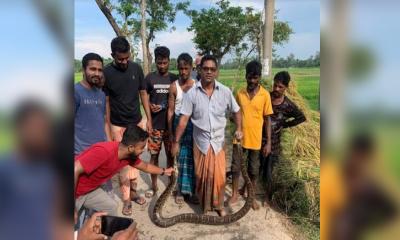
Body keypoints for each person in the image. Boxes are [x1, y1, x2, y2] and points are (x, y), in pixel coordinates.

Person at [171, 55, 243, 216]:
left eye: (212, 69)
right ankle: (205, 207)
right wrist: (176, 141)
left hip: (218, 142)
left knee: (218, 177)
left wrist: (239, 128)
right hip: (201, 142)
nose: (209, 72)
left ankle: (219, 206)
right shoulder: (191, 94)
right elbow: (183, 120)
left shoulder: (225, 91)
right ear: (200, 70)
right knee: (202, 176)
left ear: (217, 72)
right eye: (205, 69)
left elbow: (237, 111)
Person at [74, 125, 174, 218]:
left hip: (89, 190)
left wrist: (164, 171)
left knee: (111, 207)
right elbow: (75, 168)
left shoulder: (129, 156)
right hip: (74, 191)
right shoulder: (104, 151)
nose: (143, 150)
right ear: (131, 148)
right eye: (142, 147)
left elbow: (145, 166)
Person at [103, 36, 152, 215]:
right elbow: (106, 103)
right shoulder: (106, 74)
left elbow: (143, 94)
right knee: (123, 164)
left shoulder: (136, 68)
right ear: (112, 55)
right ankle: (126, 200)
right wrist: (108, 128)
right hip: (118, 126)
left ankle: (134, 193)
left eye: (127, 57)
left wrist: (149, 119)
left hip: (137, 122)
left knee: (136, 161)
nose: (124, 62)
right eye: (120, 58)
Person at [229, 60, 273, 210]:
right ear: (246, 76)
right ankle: (234, 193)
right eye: (250, 77)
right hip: (239, 139)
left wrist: (268, 143)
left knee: (253, 170)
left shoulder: (265, 95)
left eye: (255, 78)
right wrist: (234, 121)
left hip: (256, 139)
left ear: (259, 77)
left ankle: (250, 196)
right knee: (235, 167)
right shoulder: (240, 93)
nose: (252, 81)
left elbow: (267, 119)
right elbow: (234, 113)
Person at [260, 71, 306, 206]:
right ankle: (250, 191)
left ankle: (267, 197)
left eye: (280, 87)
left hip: (274, 144)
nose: (276, 89)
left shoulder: (288, 105)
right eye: (275, 85)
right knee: (256, 168)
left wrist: (284, 124)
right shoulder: (265, 97)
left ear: (286, 87)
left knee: (269, 171)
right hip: (258, 139)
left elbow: (301, 118)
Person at [144, 46, 178, 198]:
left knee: (171, 156)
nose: (162, 66)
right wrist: (150, 108)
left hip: (171, 127)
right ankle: (154, 186)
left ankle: (171, 185)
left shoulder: (174, 79)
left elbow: (179, 100)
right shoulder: (149, 78)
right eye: (159, 63)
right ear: (155, 61)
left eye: (165, 63)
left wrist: (164, 105)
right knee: (154, 156)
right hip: (156, 126)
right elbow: (145, 98)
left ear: (169, 61)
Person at [167, 53, 197, 204]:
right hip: (178, 125)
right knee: (179, 157)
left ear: (192, 68)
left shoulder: (197, 85)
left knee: (192, 158)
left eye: (186, 68)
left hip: (193, 125)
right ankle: (179, 190)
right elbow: (171, 111)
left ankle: (191, 191)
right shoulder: (174, 86)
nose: (183, 72)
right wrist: (172, 133)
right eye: (181, 68)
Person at [75, 52, 111, 155]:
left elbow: (104, 122)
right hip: (81, 154)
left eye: (100, 70)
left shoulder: (101, 94)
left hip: (101, 151)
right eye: (92, 69)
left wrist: (109, 145)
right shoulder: (76, 92)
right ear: (83, 69)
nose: (97, 73)